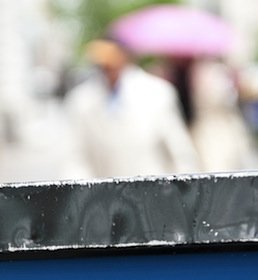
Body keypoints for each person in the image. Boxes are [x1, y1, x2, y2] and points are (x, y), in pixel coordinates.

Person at [64, 39, 199, 179]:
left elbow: (181, 152)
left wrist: (184, 194)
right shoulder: (82, 100)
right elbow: (76, 158)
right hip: (105, 195)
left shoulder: (157, 94)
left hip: (153, 192)